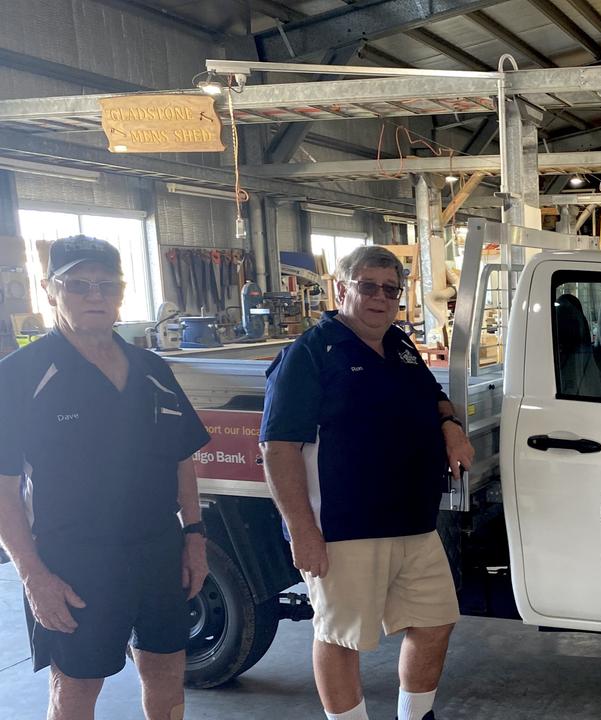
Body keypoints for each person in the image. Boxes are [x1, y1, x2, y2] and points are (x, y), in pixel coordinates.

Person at [0, 236, 211, 720]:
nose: (94, 296)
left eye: (105, 285)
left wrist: (195, 538)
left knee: (165, 669)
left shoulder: (153, 369)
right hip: (75, 561)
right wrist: (34, 576)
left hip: (160, 550)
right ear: (50, 291)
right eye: (77, 285)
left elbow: (182, 458)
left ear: (120, 293)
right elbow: (4, 490)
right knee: (76, 688)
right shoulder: (20, 375)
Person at [260, 245, 475, 720]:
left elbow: (433, 395)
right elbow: (277, 448)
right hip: (342, 527)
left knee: (436, 620)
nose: (381, 297)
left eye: (391, 289)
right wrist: (301, 529)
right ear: (342, 289)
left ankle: (414, 716)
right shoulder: (310, 353)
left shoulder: (399, 344)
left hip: (414, 521)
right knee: (341, 637)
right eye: (368, 286)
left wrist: (450, 426)